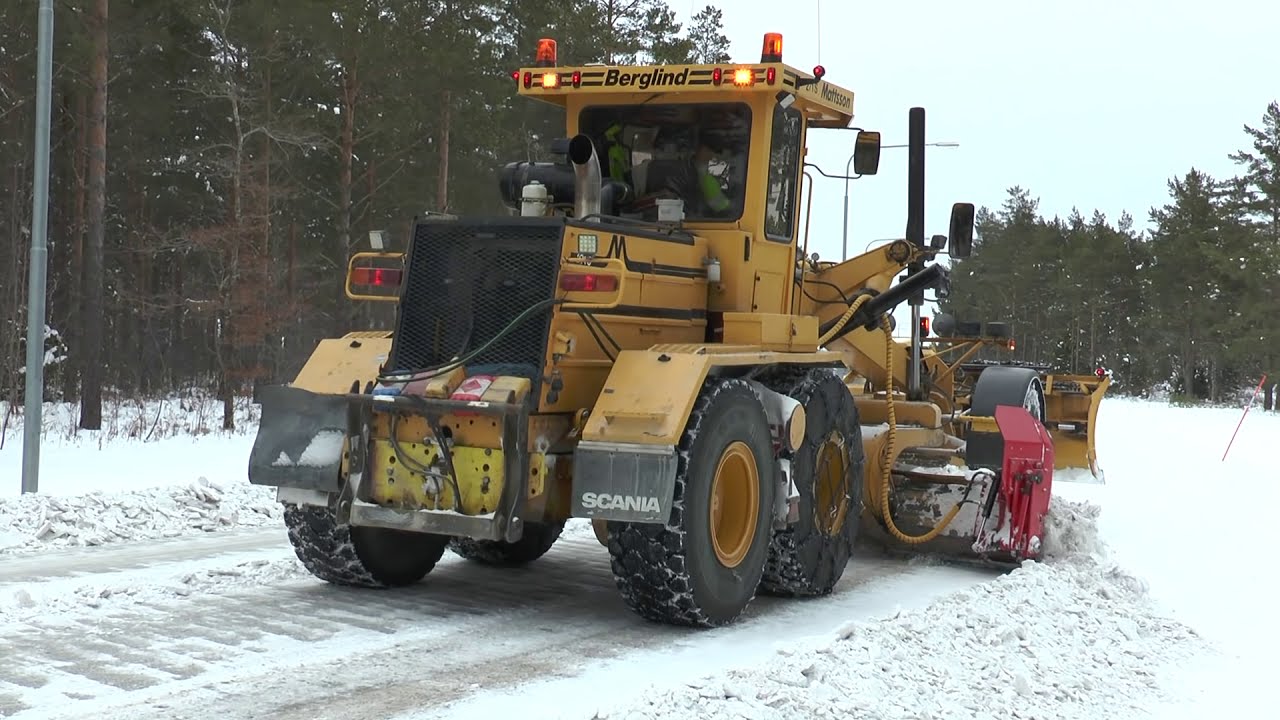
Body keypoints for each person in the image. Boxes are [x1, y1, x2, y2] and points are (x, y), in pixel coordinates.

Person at [693, 142, 732, 215]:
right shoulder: (706, 179)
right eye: (707, 152)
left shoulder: (706, 176)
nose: (711, 155)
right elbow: (720, 206)